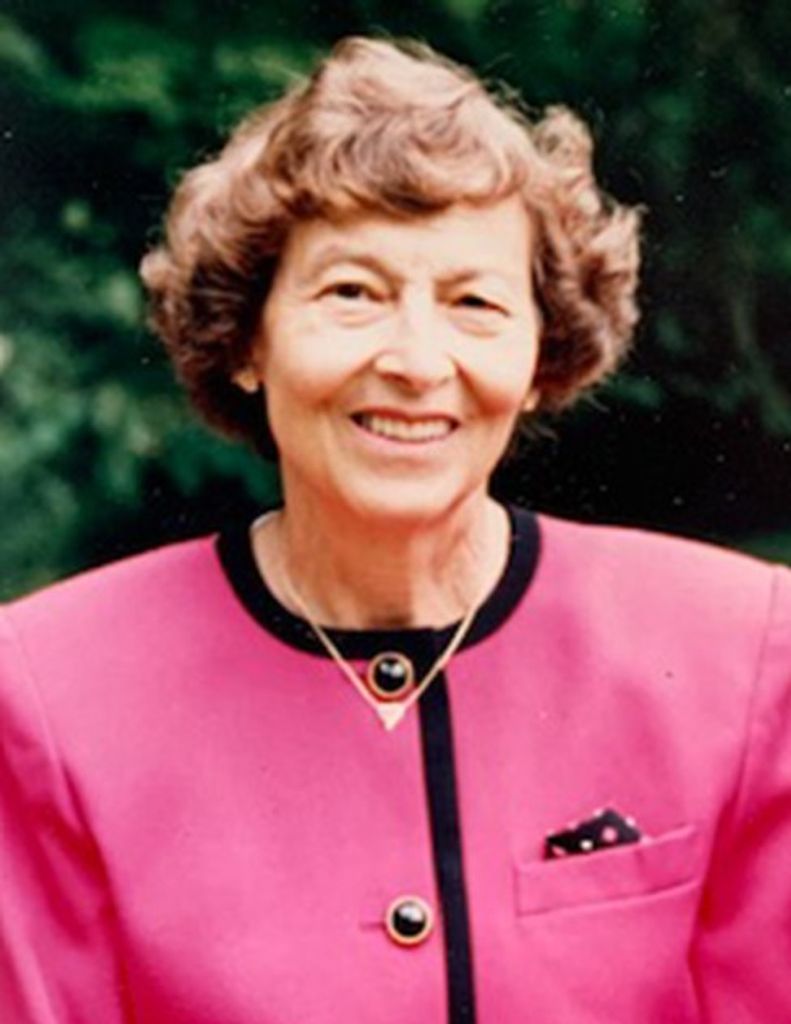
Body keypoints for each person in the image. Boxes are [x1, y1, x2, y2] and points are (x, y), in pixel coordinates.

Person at [1, 35, 789, 1024]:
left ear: (540, 352)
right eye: (352, 294)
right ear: (246, 340)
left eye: (474, 303)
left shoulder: (745, 651)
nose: (417, 360)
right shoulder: (46, 690)